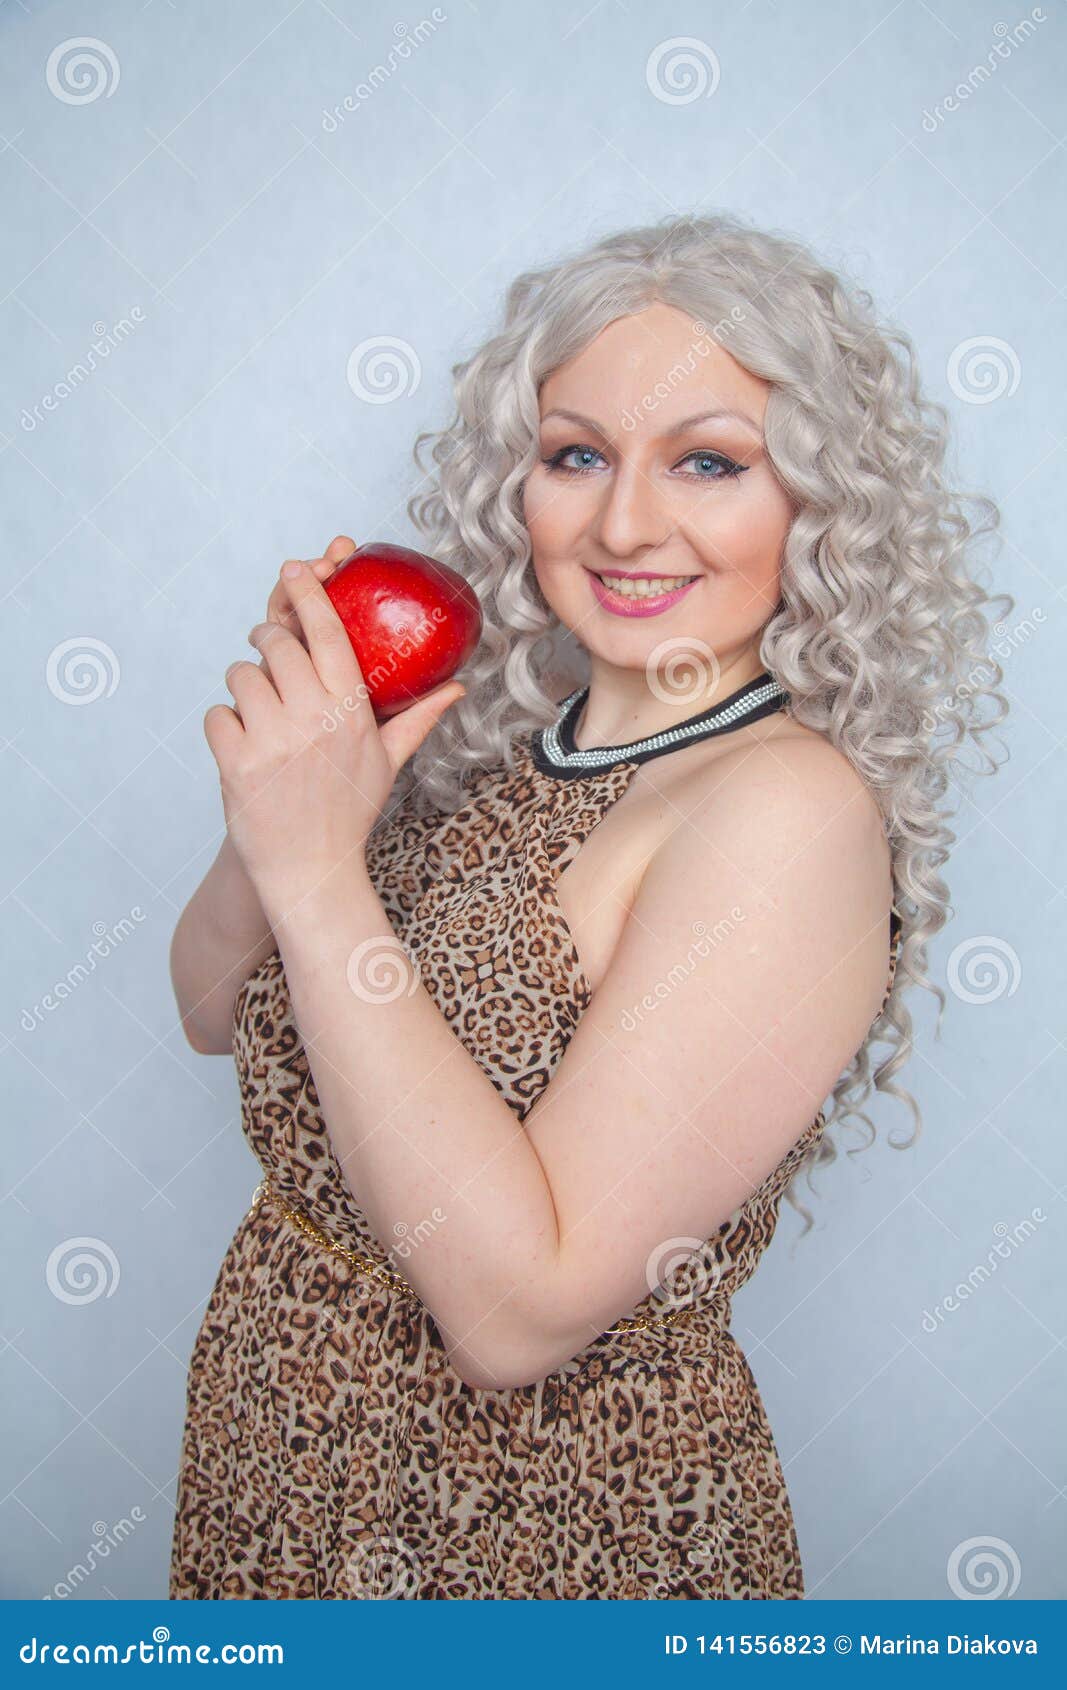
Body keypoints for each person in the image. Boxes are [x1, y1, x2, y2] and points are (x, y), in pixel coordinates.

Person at [168, 212, 1011, 1599]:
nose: (624, 522)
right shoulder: (501, 743)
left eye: (708, 461)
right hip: (284, 1462)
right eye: (577, 454)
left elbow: (517, 1312)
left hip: (532, 1527)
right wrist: (281, 810)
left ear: (818, 500)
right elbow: (214, 1015)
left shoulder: (790, 814)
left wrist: (322, 882)